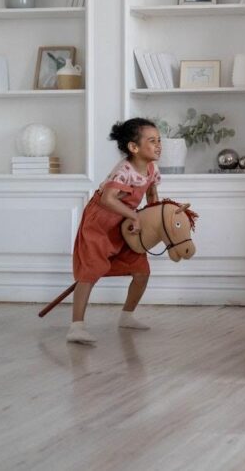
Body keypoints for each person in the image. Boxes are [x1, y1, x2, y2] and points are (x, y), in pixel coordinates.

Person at [67, 118, 162, 344]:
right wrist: (134, 215)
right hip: (100, 221)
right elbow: (108, 199)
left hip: (125, 222)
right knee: (90, 270)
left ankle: (127, 316)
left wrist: (154, 216)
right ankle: (76, 326)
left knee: (141, 270)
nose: (159, 145)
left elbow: (151, 195)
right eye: (152, 141)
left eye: (159, 140)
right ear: (133, 147)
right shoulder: (124, 170)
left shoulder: (151, 169)